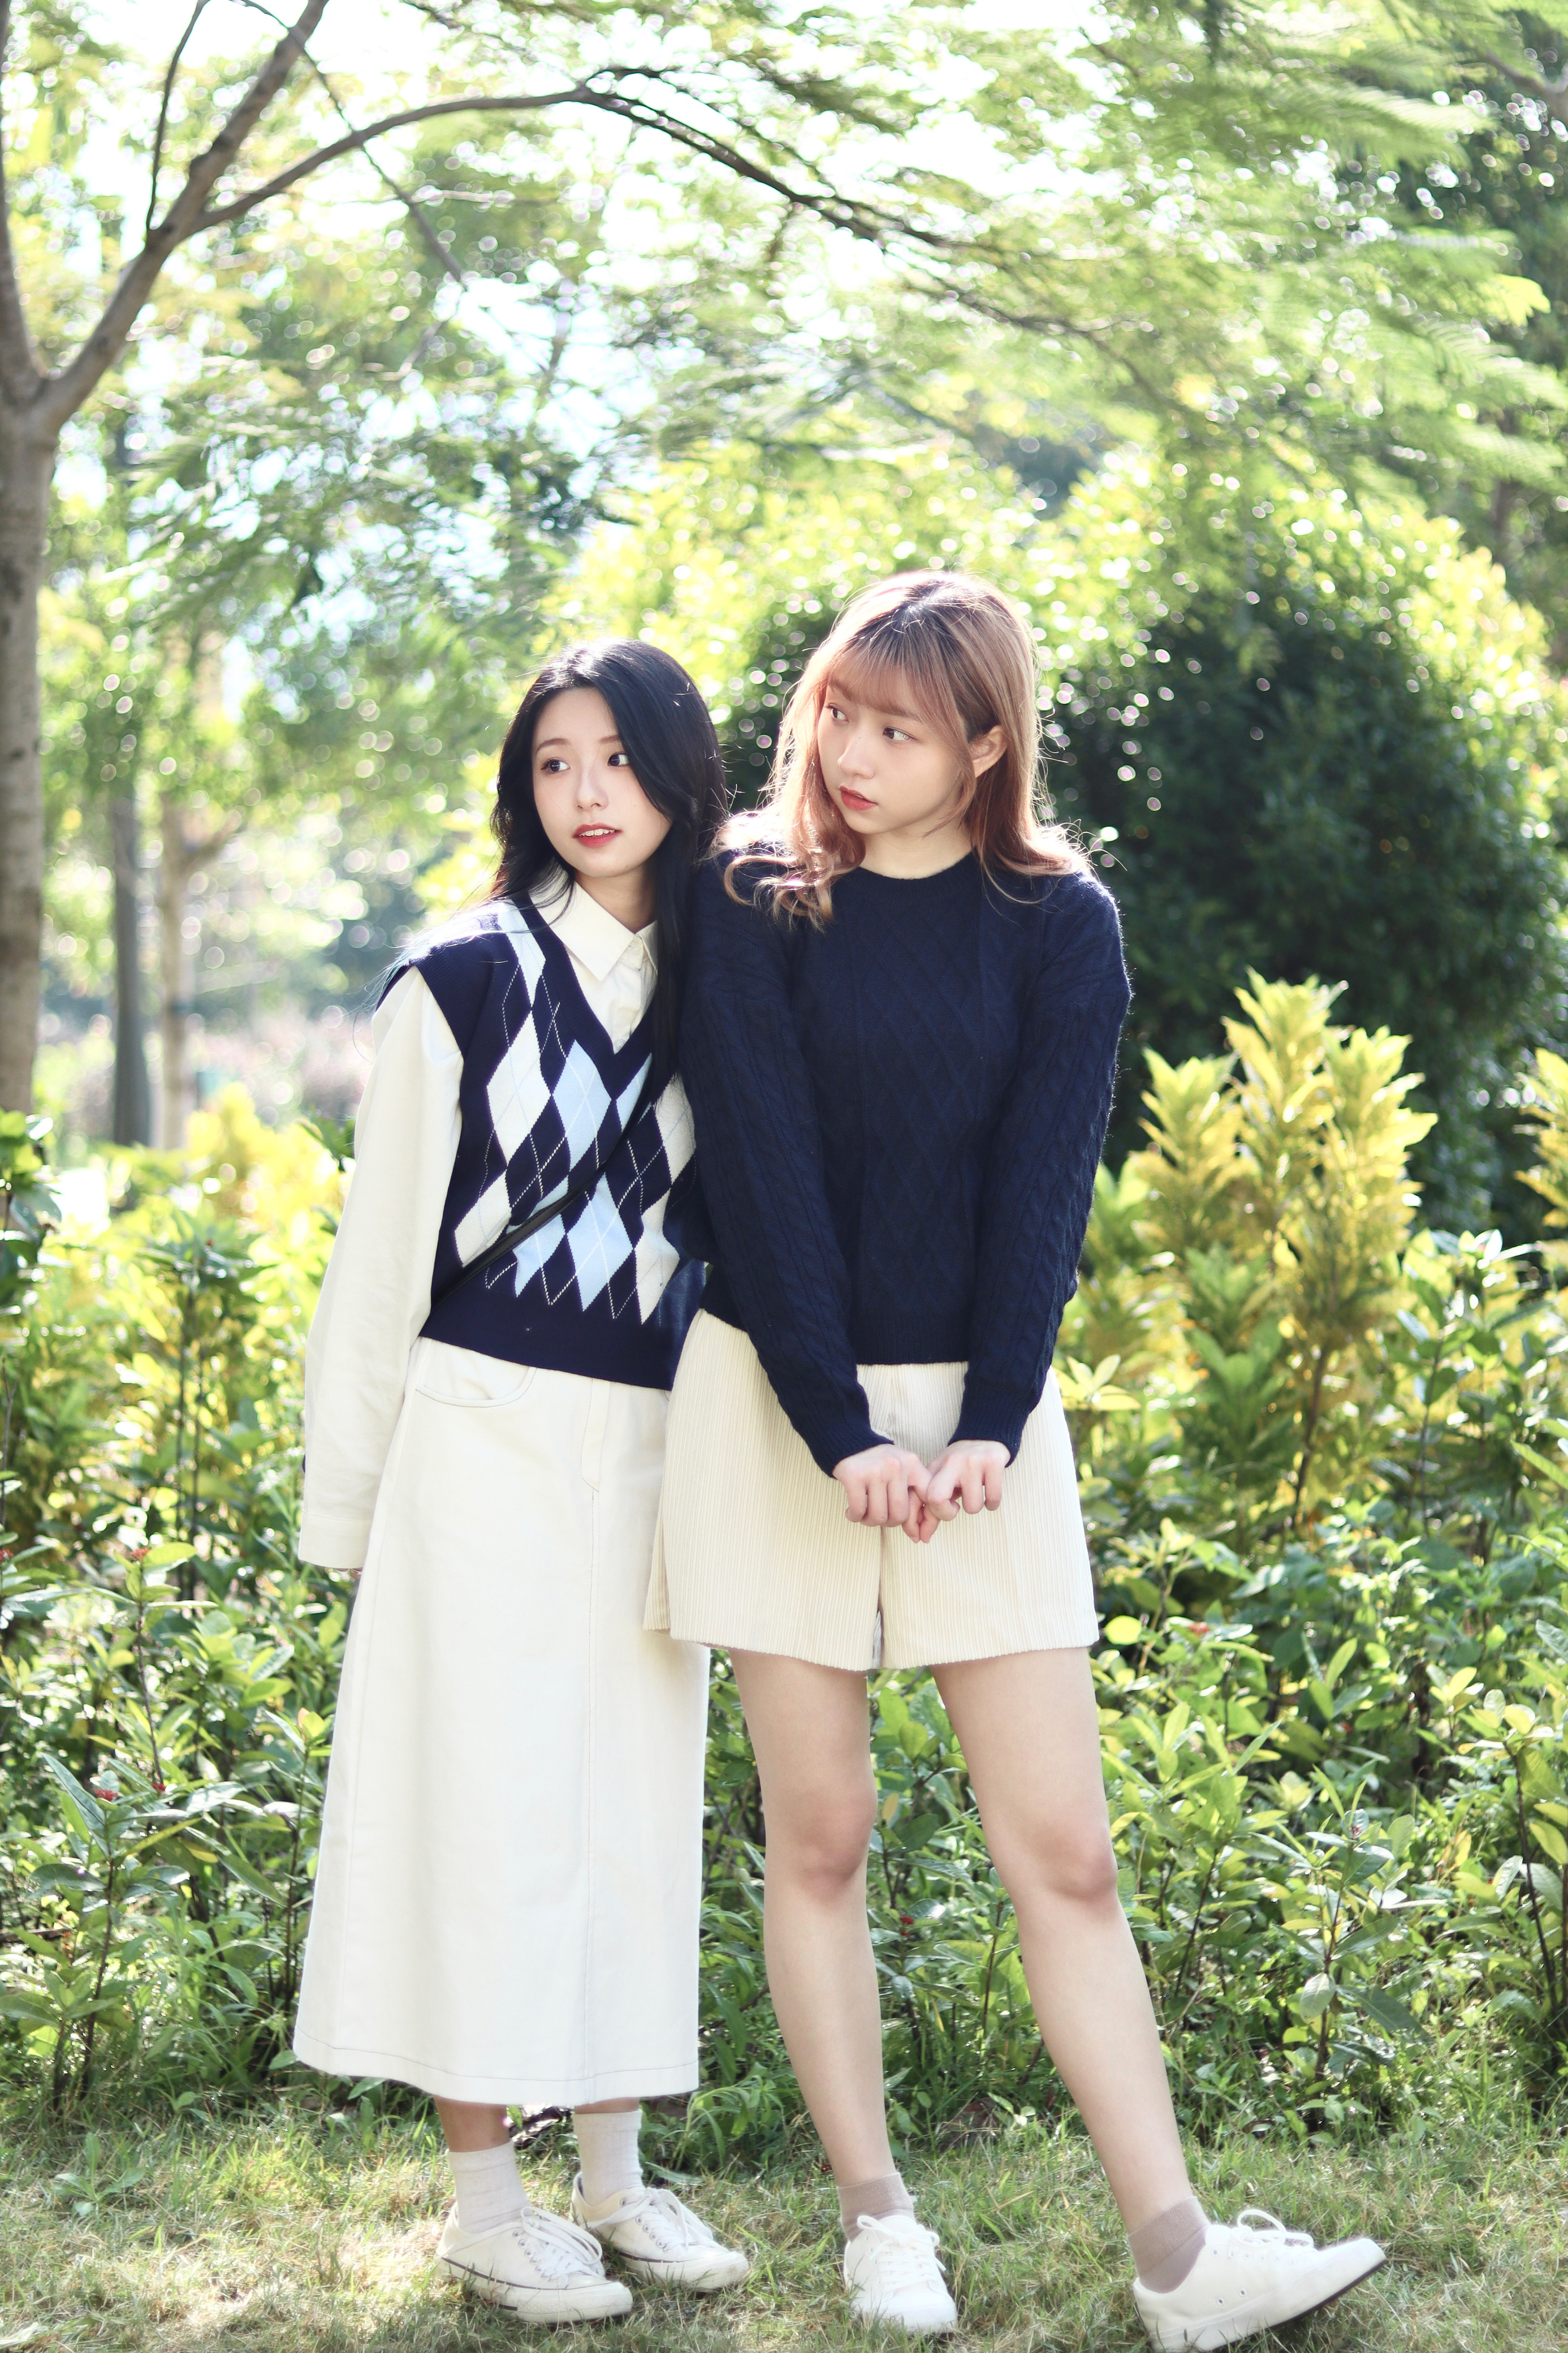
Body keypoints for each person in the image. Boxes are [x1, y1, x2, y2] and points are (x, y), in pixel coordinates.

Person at [649, 570, 1386, 2344]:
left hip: (985, 1426)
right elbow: (760, 1174)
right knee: (822, 1834)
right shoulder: (751, 897)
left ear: (987, 746)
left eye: (898, 729)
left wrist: (987, 1420)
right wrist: (839, 1431)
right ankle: (878, 2220)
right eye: (838, 711)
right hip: (773, 1400)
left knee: (1066, 1850)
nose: (851, 752)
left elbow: (1046, 1194)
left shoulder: (1061, 924)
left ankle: (1178, 2256)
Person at [292, 640, 750, 2323]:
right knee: (485, 1804)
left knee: (634, 1804)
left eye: (617, 758)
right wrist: (353, 1512)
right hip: (479, 1427)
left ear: (681, 774)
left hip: (659, 1435)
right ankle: (488, 2203)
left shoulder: (728, 977)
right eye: (554, 763)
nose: (586, 793)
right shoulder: (461, 981)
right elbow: (377, 1273)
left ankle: (616, 2184)